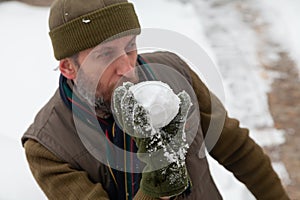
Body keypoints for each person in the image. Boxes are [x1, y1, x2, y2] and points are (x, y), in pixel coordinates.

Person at [21, 0, 290, 199]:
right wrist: (158, 182)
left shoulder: (174, 73)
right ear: (68, 67)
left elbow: (238, 150)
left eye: (130, 47)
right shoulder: (49, 148)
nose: (127, 68)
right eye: (105, 55)